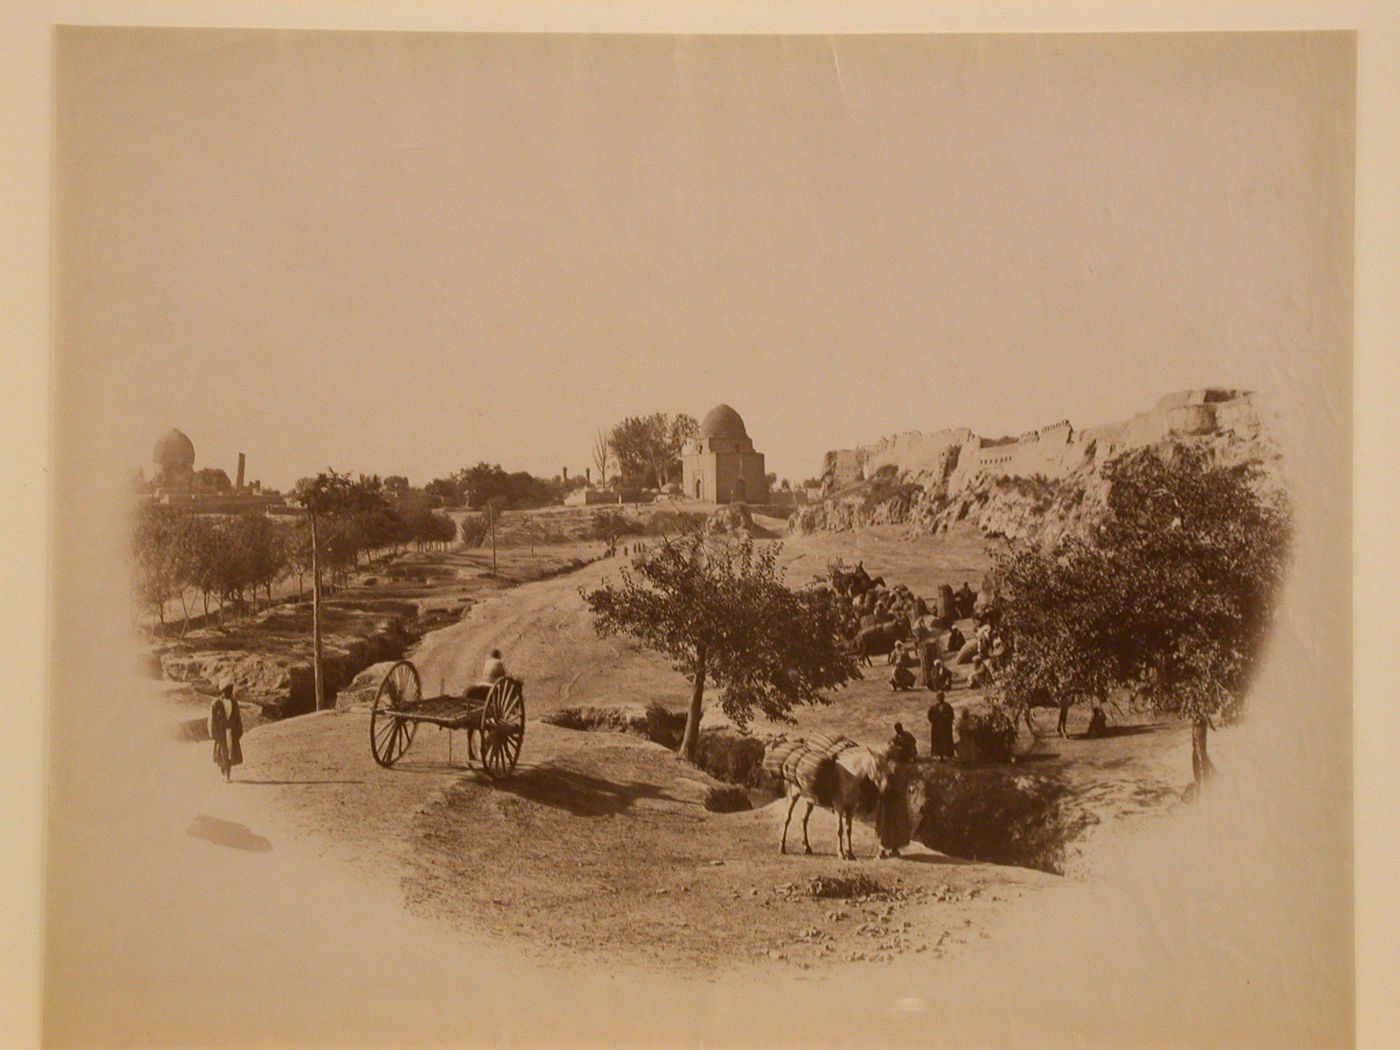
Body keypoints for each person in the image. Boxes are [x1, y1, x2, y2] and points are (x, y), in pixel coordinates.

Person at [877, 726, 916, 859]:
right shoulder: (901, 768)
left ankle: (882, 850)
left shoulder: (887, 769)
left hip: (888, 803)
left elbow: (884, 787)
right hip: (898, 803)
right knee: (897, 825)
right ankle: (893, 849)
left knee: (885, 825)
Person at [208, 684, 243, 782]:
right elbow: (212, 720)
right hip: (220, 733)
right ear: (222, 691)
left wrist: (239, 731)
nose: (229, 693)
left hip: (231, 732)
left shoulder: (234, 703)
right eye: (227, 691)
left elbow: (237, 718)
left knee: (229, 753)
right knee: (221, 753)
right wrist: (213, 734)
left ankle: (227, 775)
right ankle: (223, 774)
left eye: (230, 691)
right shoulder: (216, 703)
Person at [927, 692, 956, 761]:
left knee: (947, 741)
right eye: (939, 697)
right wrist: (935, 718)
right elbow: (930, 717)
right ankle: (940, 756)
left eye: (942, 697)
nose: (940, 699)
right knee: (938, 742)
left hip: (946, 728)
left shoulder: (948, 706)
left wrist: (946, 718)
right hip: (937, 728)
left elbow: (951, 716)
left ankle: (948, 755)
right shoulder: (934, 707)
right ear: (937, 698)